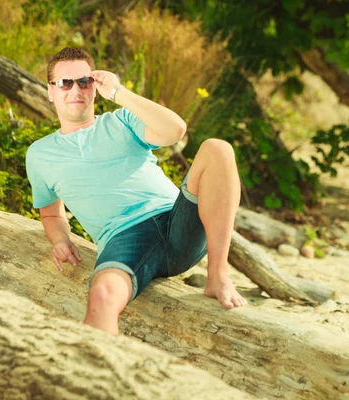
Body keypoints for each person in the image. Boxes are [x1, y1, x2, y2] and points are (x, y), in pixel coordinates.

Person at [25, 47, 247, 335]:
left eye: (83, 82)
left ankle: (218, 275)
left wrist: (118, 92)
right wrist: (60, 239)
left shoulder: (121, 121)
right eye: (64, 83)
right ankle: (103, 374)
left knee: (218, 148)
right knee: (102, 296)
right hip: (123, 239)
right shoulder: (40, 154)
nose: (75, 90)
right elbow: (51, 214)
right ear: (50, 91)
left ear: (94, 86)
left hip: (176, 220)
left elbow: (175, 130)